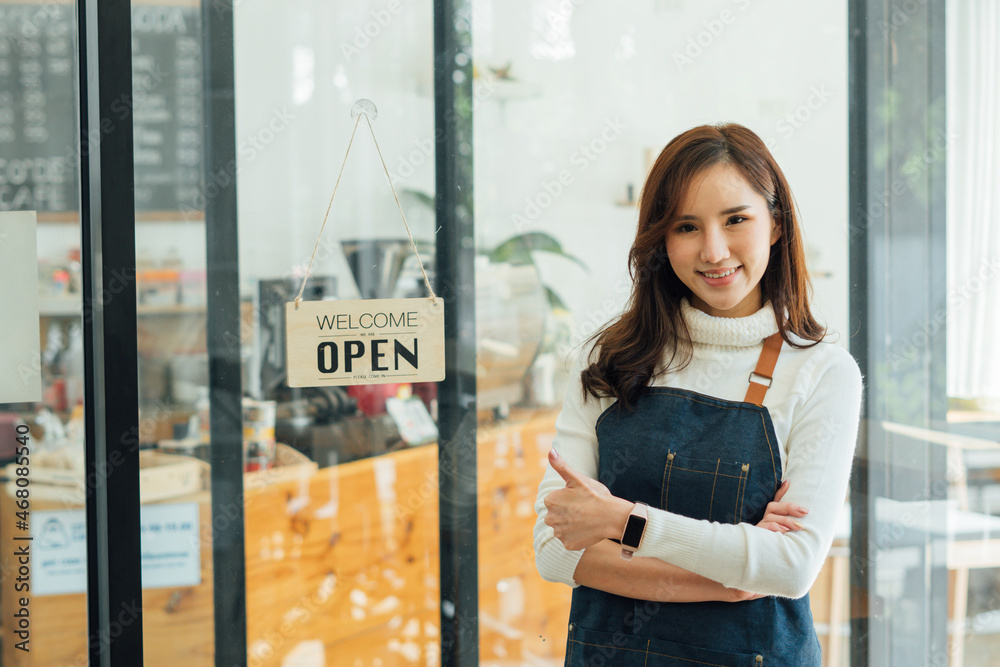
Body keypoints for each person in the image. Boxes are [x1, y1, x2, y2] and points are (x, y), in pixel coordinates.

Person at [533, 122, 864, 666]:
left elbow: (791, 566)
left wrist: (621, 522)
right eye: (687, 226)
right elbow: (552, 550)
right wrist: (731, 577)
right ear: (661, 240)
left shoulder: (823, 374)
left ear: (776, 225)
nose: (714, 251)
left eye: (736, 220)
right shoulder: (608, 364)